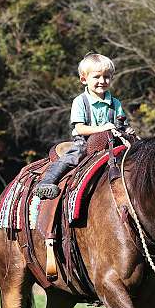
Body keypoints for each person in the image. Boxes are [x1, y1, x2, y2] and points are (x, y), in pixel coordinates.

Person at [34, 53, 133, 199]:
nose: (102, 81)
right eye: (97, 77)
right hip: (85, 141)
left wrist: (127, 129)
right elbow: (80, 128)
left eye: (107, 77)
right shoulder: (80, 101)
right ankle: (46, 182)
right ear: (84, 79)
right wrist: (103, 128)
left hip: (112, 141)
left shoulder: (115, 103)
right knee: (73, 156)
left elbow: (121, 124)